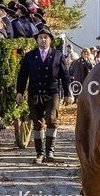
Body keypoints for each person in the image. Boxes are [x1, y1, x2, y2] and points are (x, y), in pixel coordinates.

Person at [15, 26, 72, 163]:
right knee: (37, 123)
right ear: (37, 40)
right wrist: (19, 92)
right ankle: (39, 154)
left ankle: (50, 153)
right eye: (40, 37)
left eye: (46, 37)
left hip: (52, 93)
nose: (43, 40)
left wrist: (68, 94)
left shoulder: (58, 55)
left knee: (51, 119)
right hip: (34, 94)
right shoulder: (29, 56)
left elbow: (65, 76)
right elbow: (22, 76)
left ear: (50, 40)